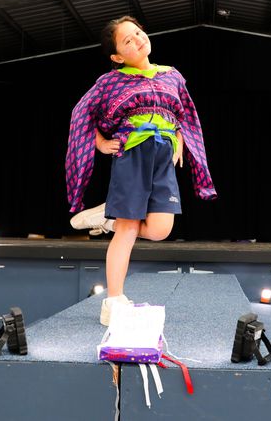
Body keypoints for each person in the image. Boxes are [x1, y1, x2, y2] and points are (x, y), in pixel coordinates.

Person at [65, 16, 216, 325]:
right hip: (133, 154)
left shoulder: (172, 75)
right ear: (117, 56)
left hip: (163, 158)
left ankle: (107, 217)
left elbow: (184, 114)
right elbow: (82, 113)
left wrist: (180, 140)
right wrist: (100, 143)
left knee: (161, 230)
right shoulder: (110, 81)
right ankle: (113, 301)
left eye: (137, 33)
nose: (137, 40)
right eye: (127, 41)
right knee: (129, 229)